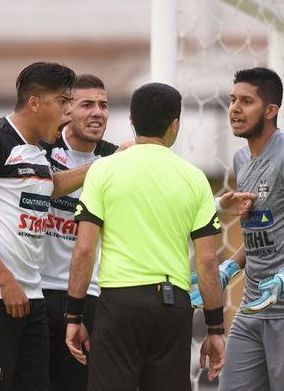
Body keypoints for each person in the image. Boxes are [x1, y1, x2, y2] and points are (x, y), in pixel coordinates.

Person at [65, 82, 226, 391]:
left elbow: (84, 251)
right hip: (173, 303)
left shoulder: (103, 171)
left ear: (131, 120)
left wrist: (74, 316)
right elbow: (207, 262)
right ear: (174, 125)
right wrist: (215, 328)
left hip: (119, 303)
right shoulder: (195, 179)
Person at [0, 61, 98, 391]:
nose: (69, 113)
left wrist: (104, 166)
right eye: (63, 102)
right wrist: (4, 280)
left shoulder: (39, 151)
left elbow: (49, 186)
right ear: (35, 102)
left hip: (31, 295)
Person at [38, 74, 121, 391]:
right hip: (39, 289)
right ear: (67, 110)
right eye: (87, 104)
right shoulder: (42, 151)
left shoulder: (116, 155)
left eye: (103, 105)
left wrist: (219, 204)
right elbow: (45, 189)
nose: (97, 112)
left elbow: (162, 193)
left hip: (90, 294)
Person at [216, 67, 284, 391]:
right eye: (232, 100)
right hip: (251, 307)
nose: (235, 109)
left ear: (271, 111)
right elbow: (262, 231)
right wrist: (229, 268)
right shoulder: (242, 159)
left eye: (246, 101)